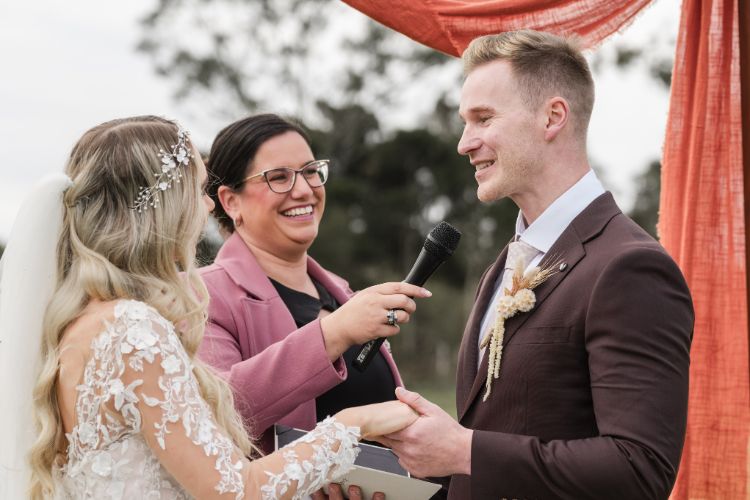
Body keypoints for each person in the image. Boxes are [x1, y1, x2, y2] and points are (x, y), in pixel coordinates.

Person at [0, 116, 418, 499]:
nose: (206, 208)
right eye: (199, 192)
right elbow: (235, 490)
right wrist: (352, 426)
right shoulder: (132, 329)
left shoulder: (80, 322)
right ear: (165, 208)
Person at [377, 30, 694, 499]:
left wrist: (465, 450)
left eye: (483, 119)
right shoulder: (506, 262)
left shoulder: (630, 268)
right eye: (465, 122)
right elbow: (499, 432)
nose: (465, 143)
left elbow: (639, 471)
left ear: (552, 117)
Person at [198, 114, 427, 453]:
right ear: (232, 201)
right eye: (278, 177)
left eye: (309, 171)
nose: (304, 190)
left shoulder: (342, 292)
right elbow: (217, 411)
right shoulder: (201, 295)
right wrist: (335, 332)